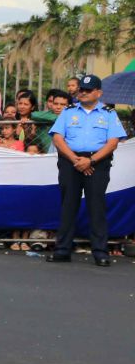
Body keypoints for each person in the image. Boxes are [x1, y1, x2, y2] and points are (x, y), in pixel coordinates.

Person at [47, 74, 125, 266]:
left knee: (96, 207)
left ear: (99, 93)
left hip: (97, 163)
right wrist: (76, 160)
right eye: (81, 89)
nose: (82, 92)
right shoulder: (68, 111)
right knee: (68, 206)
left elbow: (113, 142)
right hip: (70, 161)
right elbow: (57, 138)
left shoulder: (108, 114)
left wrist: (90, 161)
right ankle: (62, 250)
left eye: (88, 90)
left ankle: (100, 252)